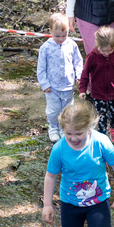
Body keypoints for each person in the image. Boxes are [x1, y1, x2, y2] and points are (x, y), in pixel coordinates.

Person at [78, 26, 114, 143]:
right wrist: (82, 90)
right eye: (103, 50)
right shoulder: (93, 56)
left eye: (109, 50)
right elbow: (85, 74)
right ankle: (102, 137)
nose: (106, 53)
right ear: (98, 45)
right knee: (101, 117)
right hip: (98, 93)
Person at [37, 13, 84, 142]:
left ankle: (64, 128)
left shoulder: (72, 45)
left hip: (68, 85)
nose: (61, 39)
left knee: (67, 110)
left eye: (65, 35)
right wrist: (44, 83)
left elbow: (78, 62)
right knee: (53, 110)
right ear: (50, 31)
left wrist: (80, 76)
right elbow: (41, 68)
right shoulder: (45, 48)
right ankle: (53, 127)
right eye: (57, 36)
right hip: (52, 86)